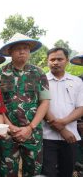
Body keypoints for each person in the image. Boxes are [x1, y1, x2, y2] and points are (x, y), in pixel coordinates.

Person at [0, 33, 50, 177]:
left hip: (33, 133)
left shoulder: (39, 73)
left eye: (25, 48)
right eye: (18, 48)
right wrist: (11, 128)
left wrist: (30, 128)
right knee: (6, 172)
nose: (22, 51)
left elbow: (45, 102)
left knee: (33, 171)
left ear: (29, 51)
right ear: (10, 52)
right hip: (7, 134)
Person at [41, 47, 83, 177]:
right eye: (52, 59)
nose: (55, 62)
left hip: (71, 137)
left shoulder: (76, 81)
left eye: (60, 59)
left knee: (66, 171)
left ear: (67, 61)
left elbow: (80, 107)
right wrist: (62, 129)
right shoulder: (42, 80)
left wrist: (64, 122)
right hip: (46, 137)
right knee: (49, 173)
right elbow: (41, 106)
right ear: (47, 62)